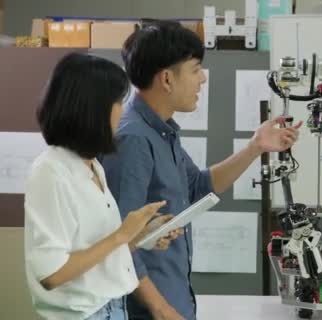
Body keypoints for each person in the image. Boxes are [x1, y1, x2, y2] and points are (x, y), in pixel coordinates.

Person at [101, 21, 302, 320]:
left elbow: (197, 186)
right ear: (167, 79)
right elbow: (119, 242)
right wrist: (161, 309)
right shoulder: (134, 139)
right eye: (195, 69)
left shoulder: (161, 131)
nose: (203, 78)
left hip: (173, 300)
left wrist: (255, 147)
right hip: (149, 311)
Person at [24, 52, 179, 320]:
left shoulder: (92, 165)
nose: (123, 109)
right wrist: (122, 235)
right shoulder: (51, 171)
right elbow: (51, 274)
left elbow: (92, 254)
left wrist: (140, 238)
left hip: (111, 308)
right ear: (93, 108)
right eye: (118, 102)